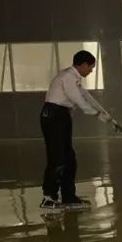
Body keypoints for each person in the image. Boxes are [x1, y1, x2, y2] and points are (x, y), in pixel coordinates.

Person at [40, 50, 112, 211]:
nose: (91, 70)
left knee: (69, 159)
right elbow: (79, 101)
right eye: (91, 67)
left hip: (62, 116)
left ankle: (68, 196)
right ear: (84, 64)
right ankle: (48, 197)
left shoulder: (74, 78)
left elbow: (87, 97)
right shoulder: (67, 77)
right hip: (53, 116)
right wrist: (98, 115)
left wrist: (103, 111)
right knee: (57, 158)